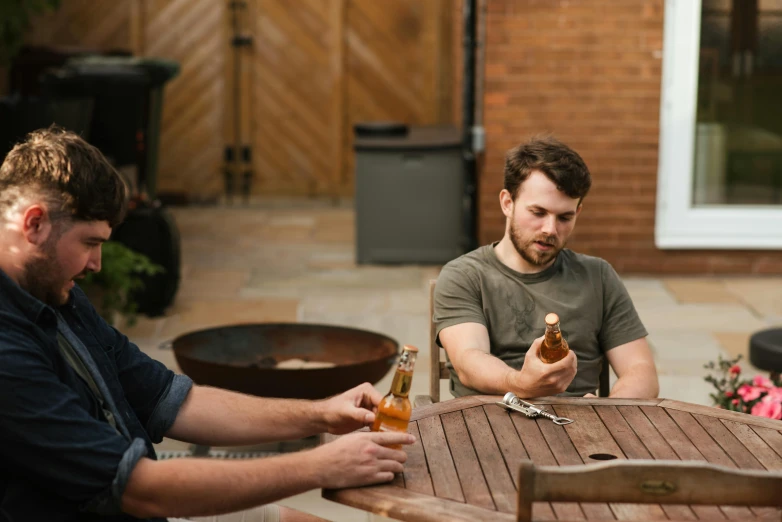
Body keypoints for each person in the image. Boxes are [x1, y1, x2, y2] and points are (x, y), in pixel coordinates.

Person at [0, 127, 413, 522]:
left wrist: (321, 414)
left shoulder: (56, 294)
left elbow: (171, 401)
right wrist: (320, 467)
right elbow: (140, 488)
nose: (97, 264)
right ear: (34, 223)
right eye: (90, 243)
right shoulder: (8, 352)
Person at [434, 135, 659, 399]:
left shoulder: (597, 276)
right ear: (507, 203)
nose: (550, 230)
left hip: (580, 427)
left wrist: (605, 414)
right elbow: (469, 361)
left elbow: (641, 371)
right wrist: (521, 384)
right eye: (538, 213)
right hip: (489, 424)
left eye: (565, 217)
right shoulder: (466, 276)